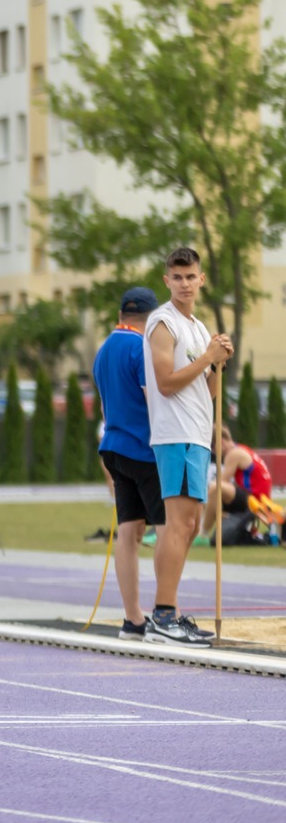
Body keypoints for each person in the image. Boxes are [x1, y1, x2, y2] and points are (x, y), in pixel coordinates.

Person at [142, 246, 231, 647]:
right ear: (167, 281)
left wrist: (217, 363)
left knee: (191, 525)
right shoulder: (163, 322)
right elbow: (166, 382)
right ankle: (163, 615)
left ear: (201, 279)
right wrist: (207, 357)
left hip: (197, 433)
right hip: (175, 432)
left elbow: (206, 389)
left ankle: (167, 613)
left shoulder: (196, 326)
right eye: (176, 277)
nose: (184, 284)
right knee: (178, 524)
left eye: (190, 276)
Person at [93, 287, 165, 642]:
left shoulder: (103, 349)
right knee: (167, 527)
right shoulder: (142, 348)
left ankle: (132, 619)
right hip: (145, 448)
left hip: (114, 447)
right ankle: (167, 614)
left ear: (122, 314)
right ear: (151, 318)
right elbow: (155, 401)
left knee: (129, 531)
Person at [202, 424, 269, 543]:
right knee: (211, 496)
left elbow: (221, 483)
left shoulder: (233, 454)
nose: (212, 451)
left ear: (221, 442)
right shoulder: (241, 449)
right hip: (257, 499)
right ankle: (220, 521)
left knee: (213, 489)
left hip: (255, 502)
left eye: (212, 446)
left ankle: (202, 534)